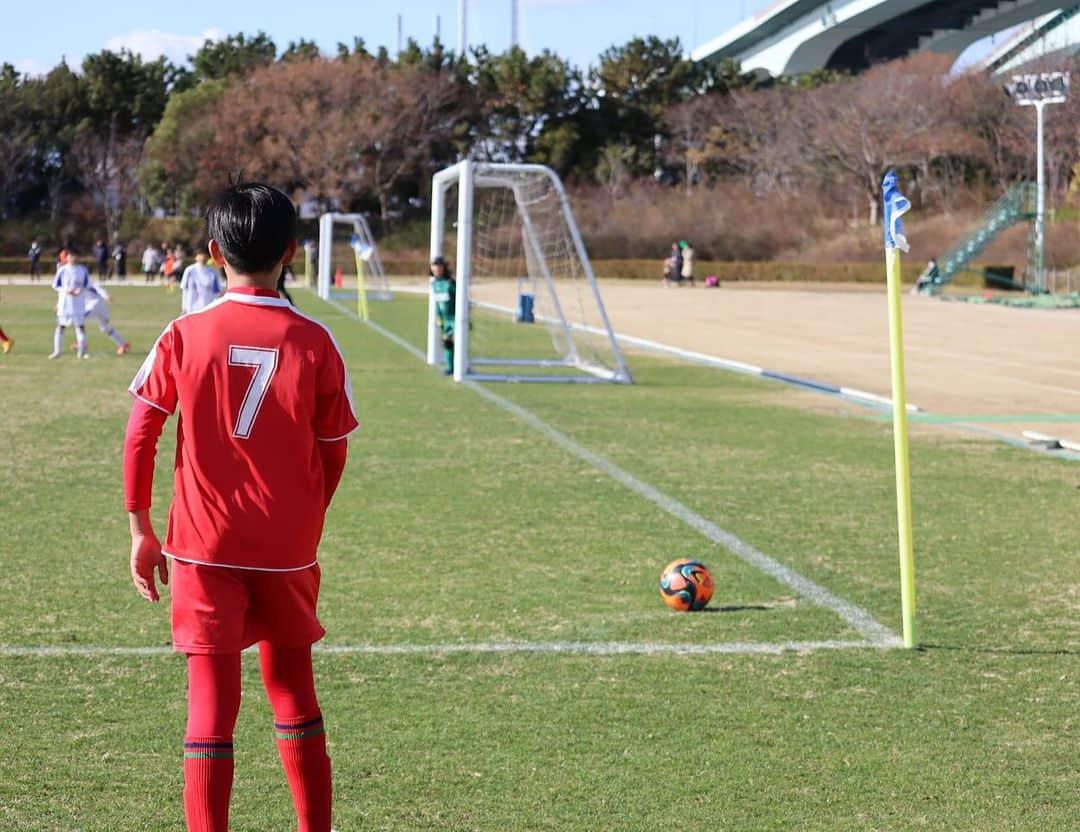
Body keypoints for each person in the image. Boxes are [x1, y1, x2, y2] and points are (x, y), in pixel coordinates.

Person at [124, 183, 356, 832]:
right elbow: (333, 452)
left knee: (210, 705)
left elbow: (141, 432)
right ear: (292, 253)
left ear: (212, 253)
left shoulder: (183, 333)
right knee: (293, 691)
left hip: (201, 546)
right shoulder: (316, 342)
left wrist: (141, 527)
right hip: (287, 547)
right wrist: (304, 519)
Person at [51, 248, 91, 359]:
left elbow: (88, 285)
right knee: (61, 326)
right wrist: (66, 290)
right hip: (65, 304)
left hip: (78, 304)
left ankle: (81, 353)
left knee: (80, 327)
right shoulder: (62, 270)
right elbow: (55, 285)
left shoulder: (83, 270)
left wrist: (80, 290)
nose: (73, 258)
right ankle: (57, 352)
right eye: (71, 256)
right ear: (67, 257)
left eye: (75, 256)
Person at [82, 281, 132, 355]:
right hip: (101, 306)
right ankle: (123, 344)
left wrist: (106, 296)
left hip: (94, 305)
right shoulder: (83, 280)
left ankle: (82, 343)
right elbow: (99, 289)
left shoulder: (84, 280)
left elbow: (98, 289)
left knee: (79, 320)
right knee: (106, 328)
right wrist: (106, 296)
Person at [430, 256, 456, 375]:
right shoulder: (434, 284)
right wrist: (439, 318)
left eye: (439, 267)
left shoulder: (451, 283)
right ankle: (450, 368)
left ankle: (459, 366)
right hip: (445, 320)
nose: (436, 269)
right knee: (447, 343)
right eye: (434, 267)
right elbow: (437, 303)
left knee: (457, 342)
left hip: (455, 318)